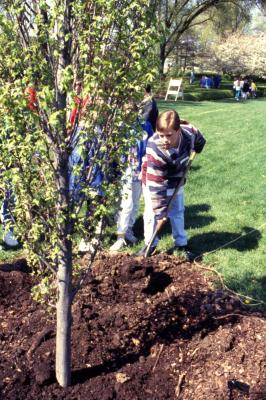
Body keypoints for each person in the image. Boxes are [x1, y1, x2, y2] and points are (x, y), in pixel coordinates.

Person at [137, 110, 206, 260]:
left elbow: (200, 138)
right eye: (161, 135)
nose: (165, 139)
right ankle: (150, 244)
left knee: (177, 211)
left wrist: (198, 147)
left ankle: (181, 244)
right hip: (153, 180)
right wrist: (161, 213)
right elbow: (157, 186)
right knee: (152, 214)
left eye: (169, 135)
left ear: (178, 130)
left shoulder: (188, 133)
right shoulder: (154, 147)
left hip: (177, 178)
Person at [109, 117, 154, 252]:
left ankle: (129, 228)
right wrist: (114, 171)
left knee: (135, 202)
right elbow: (113, 151)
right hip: (124, 171)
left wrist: (145, 167)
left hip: (139, 170)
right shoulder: (118, 126)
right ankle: (120, 235)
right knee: (126, 204)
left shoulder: (145, 126)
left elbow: (149, 146)